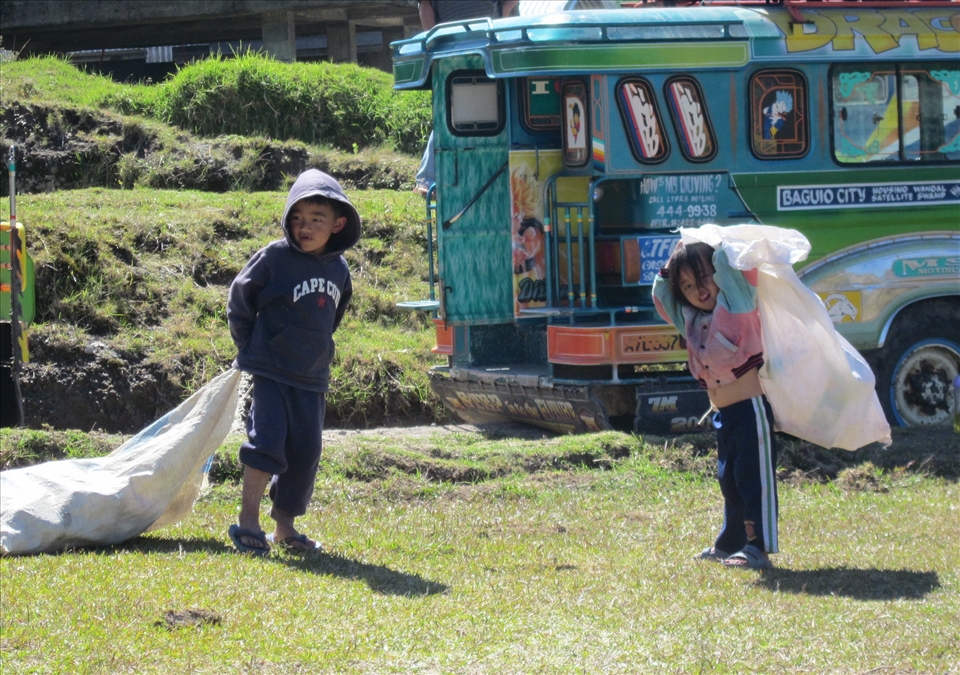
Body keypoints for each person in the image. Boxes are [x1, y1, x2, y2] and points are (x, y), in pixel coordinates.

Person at [226, 169, 360, 555]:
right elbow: (240, 299)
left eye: (317, 219)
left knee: (305, 453)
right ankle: (248, 521)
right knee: (265, 444)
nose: (305, 226)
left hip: (311, 376)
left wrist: (318, 350)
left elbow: (333, 316)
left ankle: (285, 527)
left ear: (338, 224)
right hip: (271, 371)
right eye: (297, 217)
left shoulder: (339, 269)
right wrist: (253, 348)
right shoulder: (274, 258)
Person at [652, 240, 777, 570]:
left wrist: (709, 239)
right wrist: (676, 257)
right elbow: (661, 294)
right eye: (687, 286)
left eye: (704, 277)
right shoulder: (689, 319)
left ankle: (758, 547)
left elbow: (726, 261)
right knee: (730, 481)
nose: (699, 290)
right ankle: (730, 544)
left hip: (750, 411)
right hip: (724, 415)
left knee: (753, 481)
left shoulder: (736, 302)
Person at [414, 0, 518, 196]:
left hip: (488, 45)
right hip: (452, 49)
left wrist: (499, 27)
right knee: (448, 113)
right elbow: (425, 4)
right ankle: (429, 179)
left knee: (497, 110)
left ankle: (501, 173)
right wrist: (433, 42)